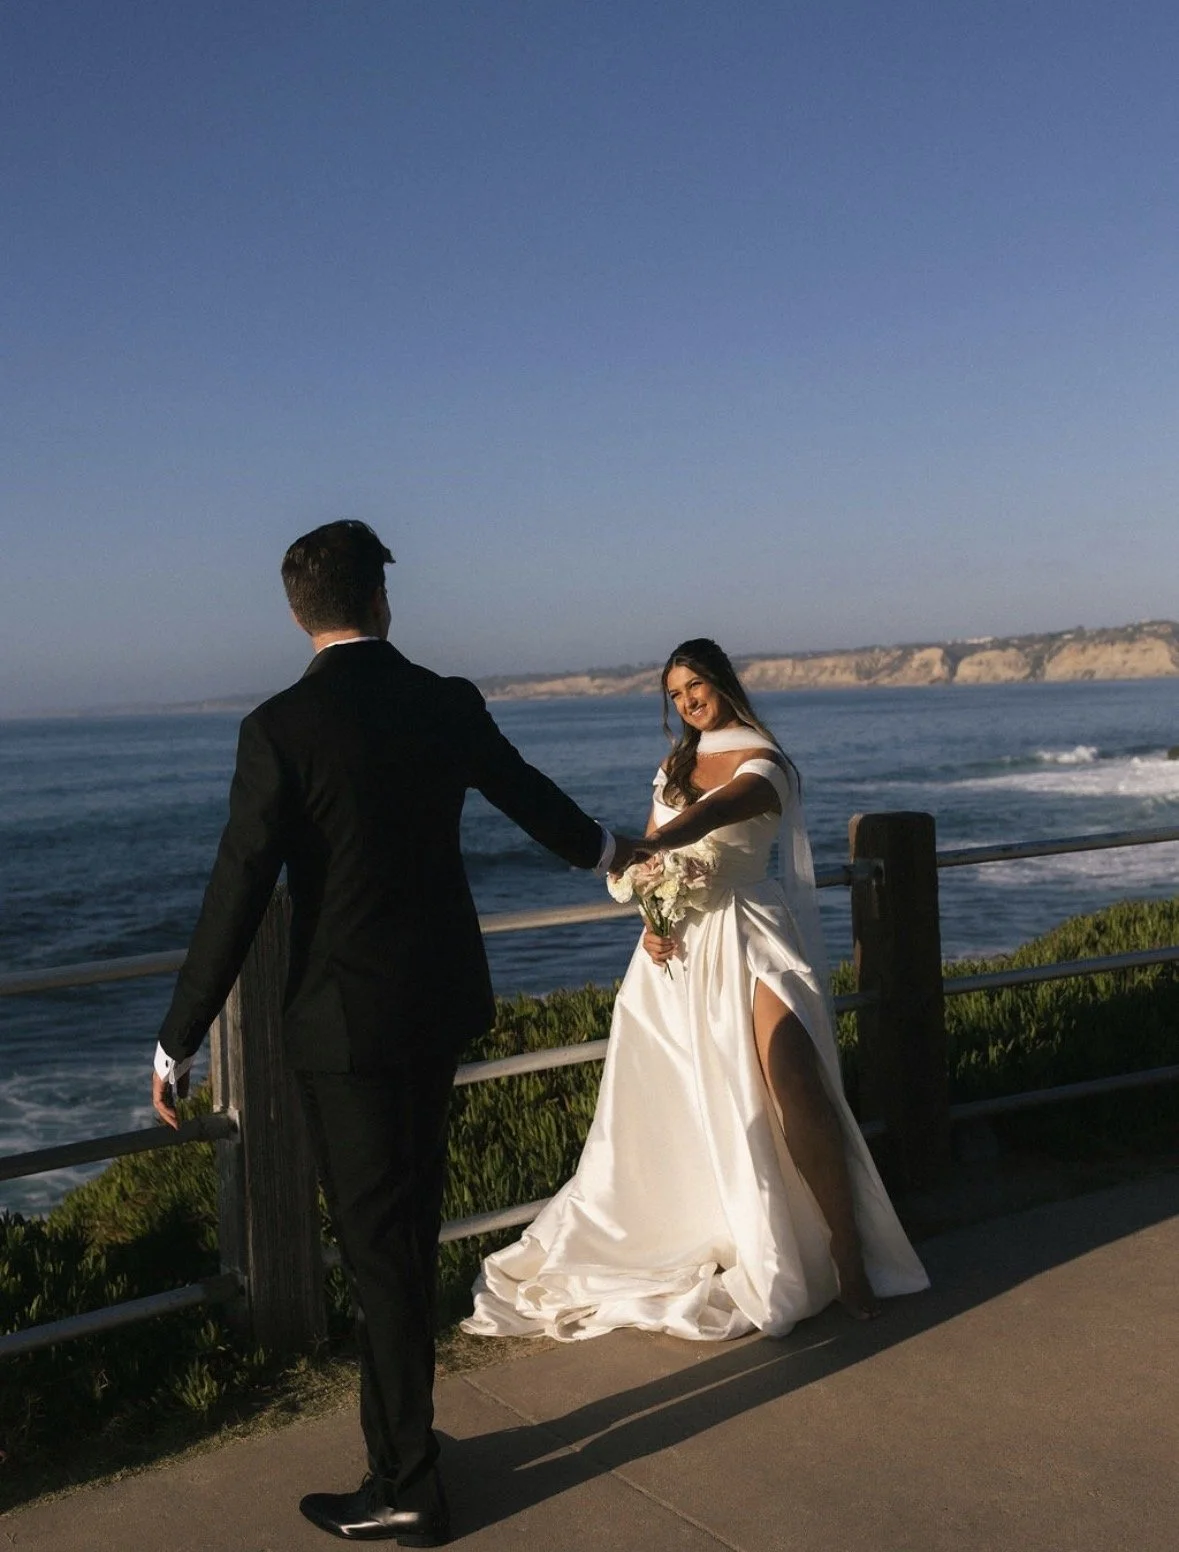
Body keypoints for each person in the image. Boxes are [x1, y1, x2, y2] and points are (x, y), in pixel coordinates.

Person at [151, 520, 636, 1548]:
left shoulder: (279, 728)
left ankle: (407, 1482)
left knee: (378, 1248)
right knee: (406, 1231)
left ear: (298, 611)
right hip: (436, 1007)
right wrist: (613, 857)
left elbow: (238, 888)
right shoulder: (444, 702)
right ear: (382, 600)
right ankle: (403, 1444)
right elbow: (533, 801)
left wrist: (177, 1037)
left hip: (344, 1028)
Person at [463, 637, 929, 1344]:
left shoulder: (763, 762)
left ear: (720, 682)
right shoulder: (674, 764)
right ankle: (733, 1231)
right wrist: (651, 915)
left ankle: (846, 1252)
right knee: (694, 1103)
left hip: (752, 934)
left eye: (694, 687)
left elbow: (709, 819)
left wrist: (637, 847)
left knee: (794, 1083)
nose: (686, 702)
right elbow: (654, 863)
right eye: (674, 695)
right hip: (680, 950)